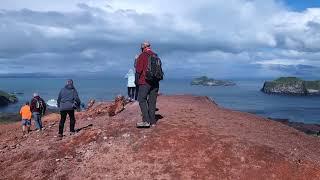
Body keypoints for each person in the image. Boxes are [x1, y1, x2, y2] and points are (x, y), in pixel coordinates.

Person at [136, 41, 163, 128]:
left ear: (143, 48)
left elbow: (138, 71)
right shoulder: (155, 55)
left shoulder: (142, 55)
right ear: (149, 47)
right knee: (152, 101)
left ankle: (146, 121)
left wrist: (136, 81)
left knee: (142, 100)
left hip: (145, 82)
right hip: (155, 82)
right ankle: (153, 121)